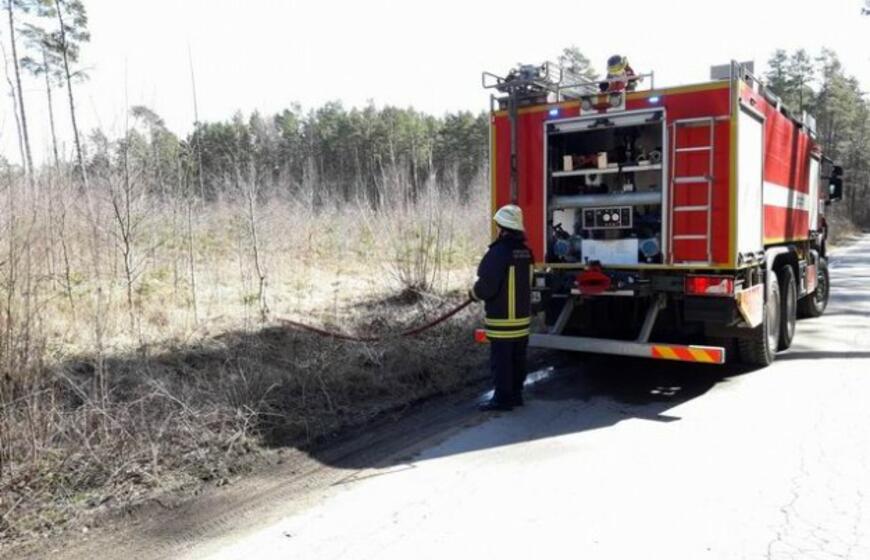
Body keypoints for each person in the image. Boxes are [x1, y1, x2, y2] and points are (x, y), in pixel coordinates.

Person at [469, 205, 533, 412]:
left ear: (502, 228)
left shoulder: (498, 253)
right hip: (522, 320)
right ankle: (515, 395)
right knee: (517, 358)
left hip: (502, 320)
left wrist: (473, 294)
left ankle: (502, 399)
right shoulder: (526, 252)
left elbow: (487, 286)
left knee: (502, 360)